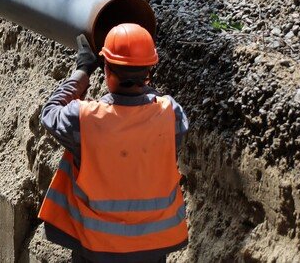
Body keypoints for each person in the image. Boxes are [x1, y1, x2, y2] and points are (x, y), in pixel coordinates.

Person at [38, 24, 189, 262]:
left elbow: (49, 112)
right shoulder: (172, 113)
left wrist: (83, 71)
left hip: (97, 246)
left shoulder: (83, 119)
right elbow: (154, 108)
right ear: (149, 69)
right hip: (153, 244)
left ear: (107, 71)